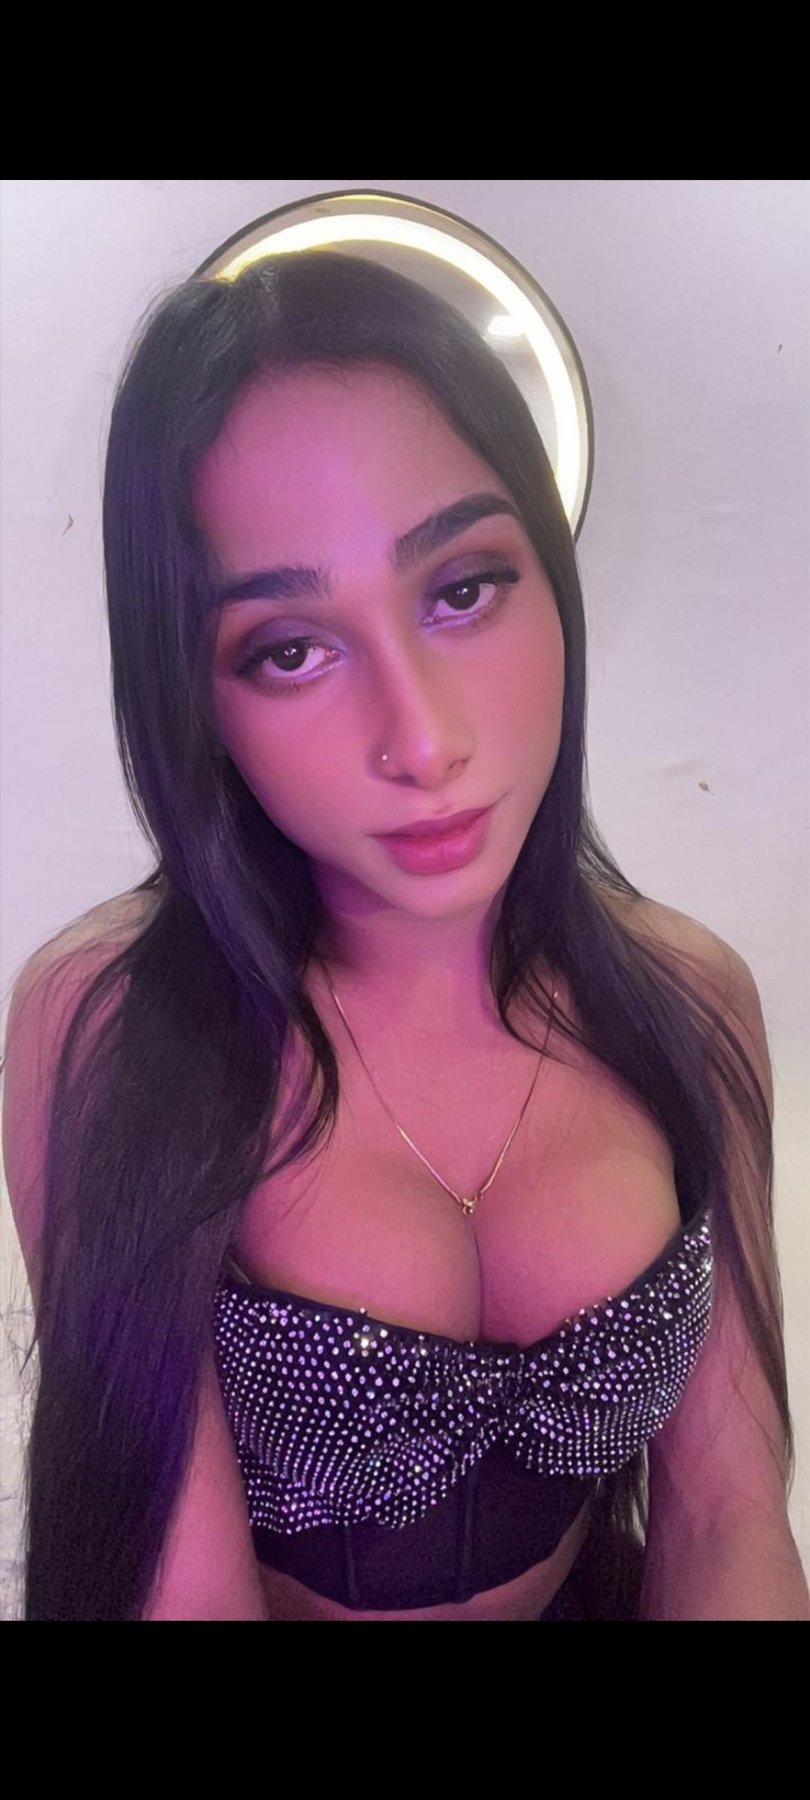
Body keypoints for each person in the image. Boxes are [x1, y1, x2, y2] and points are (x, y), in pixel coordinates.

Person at [2, 249, 808, 1622]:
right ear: (195, 698)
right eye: (289, 650)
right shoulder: (112, 1026)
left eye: (464, 588)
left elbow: (726, 1511)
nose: (423, 741)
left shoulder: (687, 995)